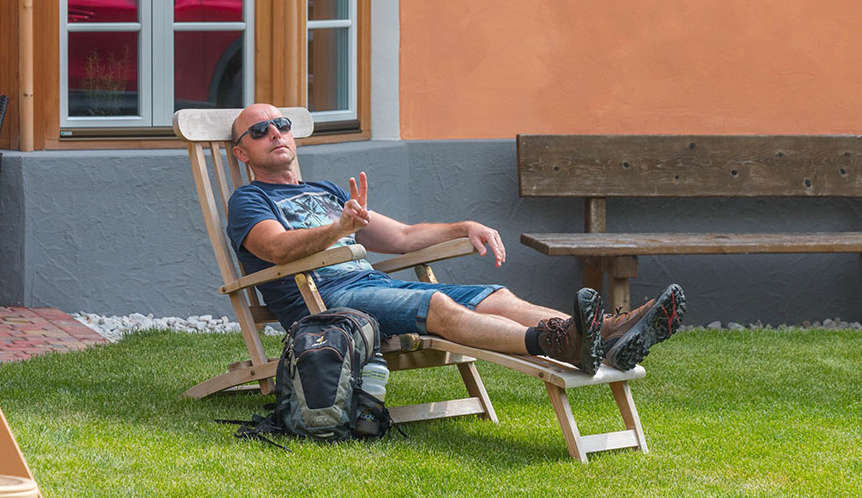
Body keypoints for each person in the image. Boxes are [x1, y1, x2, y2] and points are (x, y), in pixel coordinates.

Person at [226, 104, 685, 375]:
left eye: (282, 124)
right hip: (329, 303)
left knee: (496, 295)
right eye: (259, 131)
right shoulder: (247, 201)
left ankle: (605, 333)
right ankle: (553, 342)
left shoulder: (326, 192)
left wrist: (462, 227)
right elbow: (277, 250)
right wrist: (339, 230)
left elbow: (404, 237)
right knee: (441, 308)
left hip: (376, 289)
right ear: (242, 152)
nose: (275, 133)